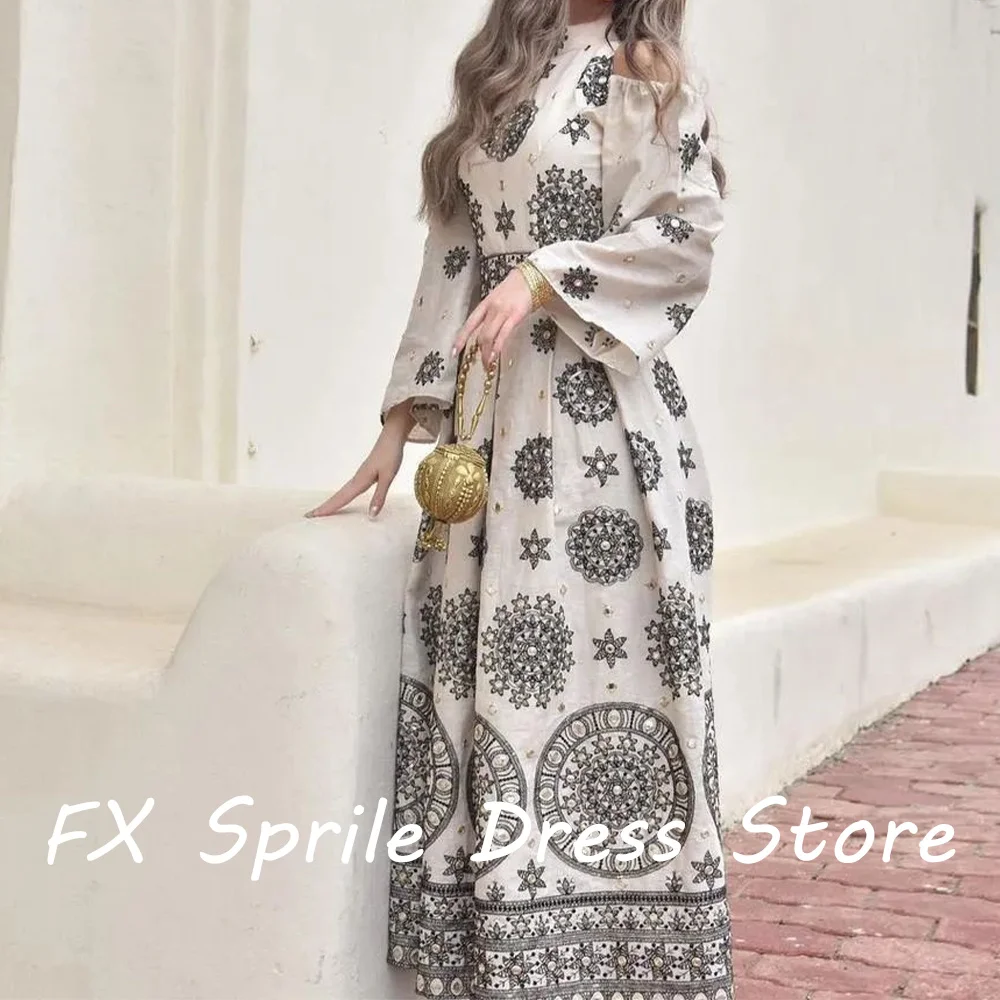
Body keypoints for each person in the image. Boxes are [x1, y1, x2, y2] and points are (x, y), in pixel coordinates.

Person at [307, 0, 733, 996]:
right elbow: (453, 254)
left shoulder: (646, 69)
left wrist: (545, 277)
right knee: (485, 670)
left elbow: (682, 236)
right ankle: (494, 949)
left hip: (600, 430)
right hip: (486, 425)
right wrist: (400, 420)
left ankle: (618, 957)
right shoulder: (502, 70)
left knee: (602, 677)